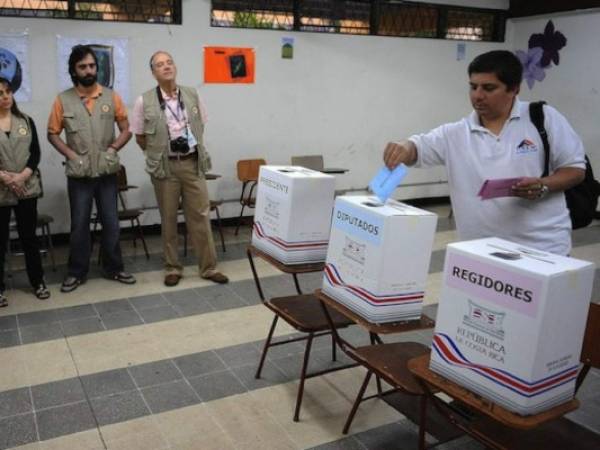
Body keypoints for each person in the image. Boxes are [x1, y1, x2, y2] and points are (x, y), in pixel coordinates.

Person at [383, 50, 585, 256]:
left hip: (541, 250)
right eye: (473, 87)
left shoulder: (543, 118)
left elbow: (575, 169)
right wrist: (404, 147)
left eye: (489, 88)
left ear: (514, 89)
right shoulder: (455, 133)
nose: (478, 96)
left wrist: (543, 185)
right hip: (479, 253)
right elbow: (417, 147)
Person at [130, 51, 228, 287]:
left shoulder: (192, 95)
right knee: (169, 219)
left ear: (175, 67)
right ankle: (172, 267)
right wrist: (159, 152)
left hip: (192, 163)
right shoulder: (144, 101)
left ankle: (208, 267)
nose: (166, 67)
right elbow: (140, 137)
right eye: (160, 65)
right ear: (153, 73)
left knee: (201, 216)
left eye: (169, 62)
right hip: (165, 168)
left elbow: (200, 125)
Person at [47, 45, 136, 292]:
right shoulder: (62, 100)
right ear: (74, 70)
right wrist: (71, 155)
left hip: (107, 174)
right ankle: (76, 272)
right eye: (82, 66)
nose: (88, 70)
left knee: (111, 222)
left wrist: (113, 148)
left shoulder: (110, 96)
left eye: (92, 66)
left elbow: (127, 128)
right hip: (80, 175)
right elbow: (52, 134)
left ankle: (114, 268)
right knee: (79, 225)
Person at [0, 77, 49, 306]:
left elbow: (35, 153)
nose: (5, 96)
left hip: (26, 187)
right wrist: (6, 178)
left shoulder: (26, 121)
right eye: (0, 93)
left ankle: (37, 282)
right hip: (1, 188)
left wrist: (21, 176)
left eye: (8, 91)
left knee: (29, 238)